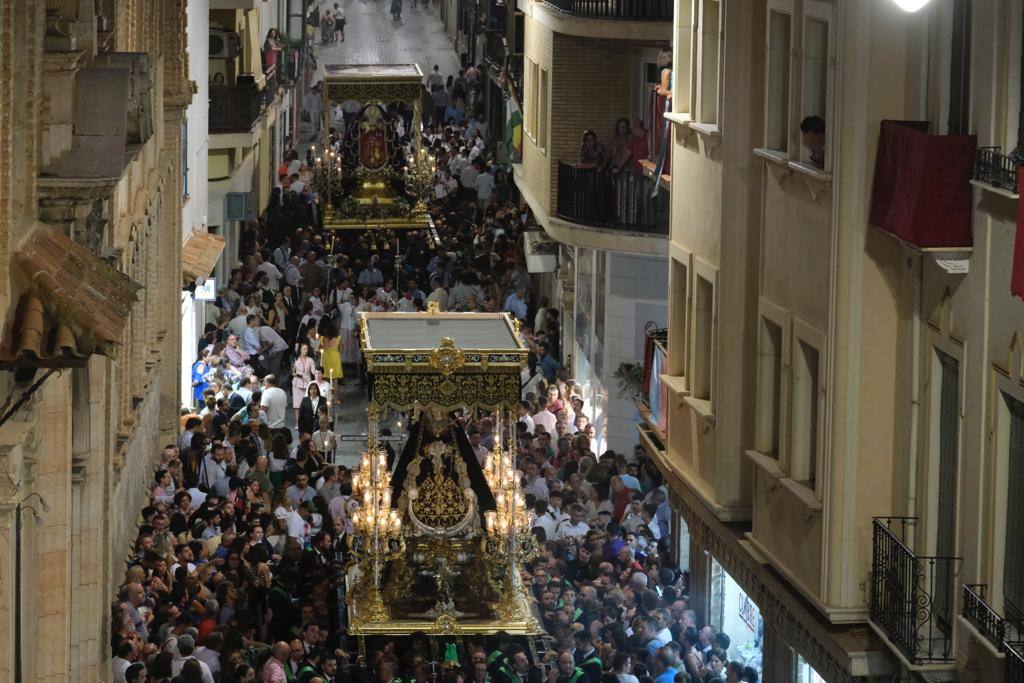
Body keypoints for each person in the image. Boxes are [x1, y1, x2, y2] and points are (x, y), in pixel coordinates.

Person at [292, 343, 316, 422]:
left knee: (307, 404)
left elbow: (313, 371)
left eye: (307, 349)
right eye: (304, 349)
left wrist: (317, 372)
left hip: (307, 383)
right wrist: (298, 375)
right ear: (300, 350)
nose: (306, 351)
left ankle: (307, 421)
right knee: (296, 404)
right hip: (297, 383)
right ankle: (297, 422)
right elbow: (292, 372)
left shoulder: (310, 360)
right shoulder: (295, 360)